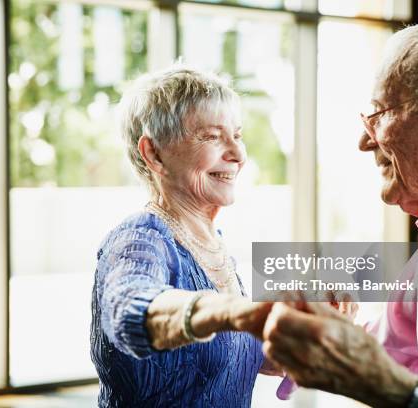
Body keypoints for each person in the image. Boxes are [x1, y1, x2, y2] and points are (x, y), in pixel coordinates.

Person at [263, 19, 418, 407]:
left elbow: (388, 380)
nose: (363, 141)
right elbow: (391, 352)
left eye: (377, 114)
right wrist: (328, 329)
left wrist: (391, 390)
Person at [90, 66, 278, 407]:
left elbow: (230, 358)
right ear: (155, 154)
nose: (237, 153)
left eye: (237, 134)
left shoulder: (213, 245)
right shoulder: (140, 240)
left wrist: (304, 322)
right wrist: (238, 311)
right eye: (211, 136)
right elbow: (130, 312)